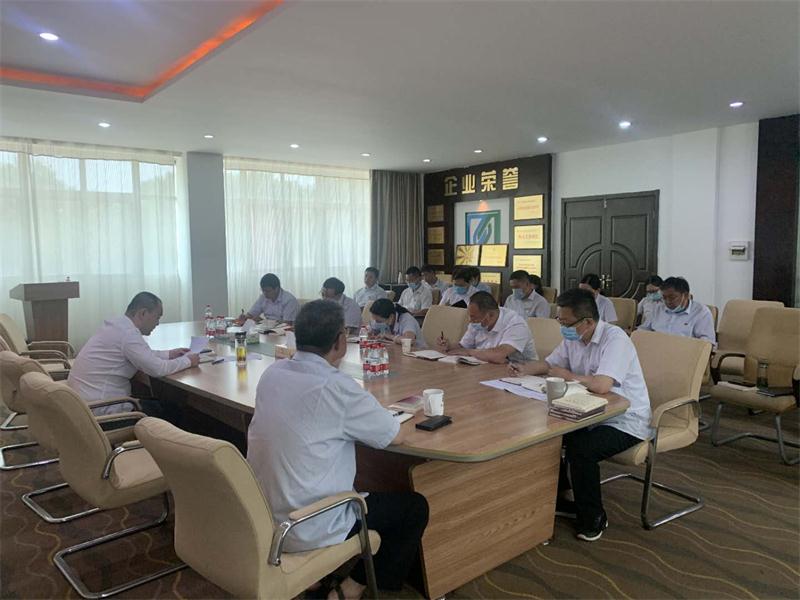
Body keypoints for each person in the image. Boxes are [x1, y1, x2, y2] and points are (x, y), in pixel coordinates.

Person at [247, 300, 428, 599]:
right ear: (341, 342)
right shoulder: (336, 386)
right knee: (414, 508)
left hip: (264, 515)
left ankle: (313, 579)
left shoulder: (273, 373)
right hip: (308, 522)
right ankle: (350, 588)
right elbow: (394, 436)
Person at [508, 288, 651, 541]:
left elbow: (602, 385)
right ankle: (560, 496)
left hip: (625, 419)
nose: (562, 328)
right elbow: (551, 364)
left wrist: (567, 375)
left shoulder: (615, 340)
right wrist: (525, 368)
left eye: (566, 323)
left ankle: (593, 517)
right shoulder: (575, 336)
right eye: (560, 321)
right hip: (587, 412)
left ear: (588, 322)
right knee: (547, 435)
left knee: (581, 450)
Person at [67, 292, 199, 418]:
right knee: (174, 410)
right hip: (105, 412)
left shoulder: (118, 325)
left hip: (85, 405)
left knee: (161, 404)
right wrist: (188, 361)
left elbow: (141, 354)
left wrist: (169, 354)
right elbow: (157, 369)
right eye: (157, 317)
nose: (157, 323)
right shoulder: (128, 334)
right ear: (143, 313)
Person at [437, 291, 536, 363]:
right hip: (486, 366)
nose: (470, 320)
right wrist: (449, 346)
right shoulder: (476, 322)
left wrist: (469, 352)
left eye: (474, 317)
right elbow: (464, 346)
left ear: (490, 315)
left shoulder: (515, 323)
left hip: (521, 372)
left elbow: (498, 355)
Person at [638, 276, 717, 346]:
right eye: (664, 298)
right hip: (657, 349)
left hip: (685, 352)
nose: (667, 301)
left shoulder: (701, 312)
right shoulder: (658, 309)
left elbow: (707, 343)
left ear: (685, 295)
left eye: (672, 297)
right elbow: (643, 330)